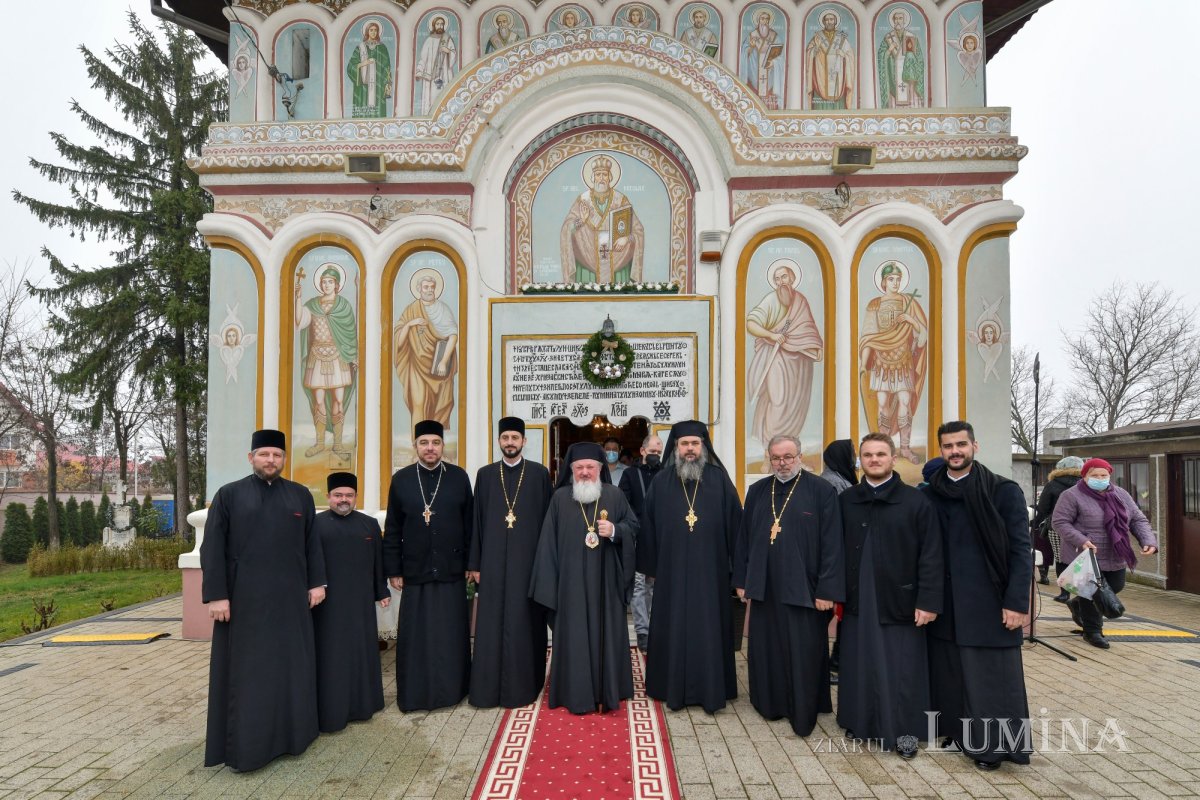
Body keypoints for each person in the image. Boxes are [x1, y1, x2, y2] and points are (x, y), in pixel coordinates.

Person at [201, 429, 326, 771]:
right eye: (264, 454)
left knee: (290, 668)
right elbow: (212, 548)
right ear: (251, 457)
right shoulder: (229, 495)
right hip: (244, 603)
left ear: (284, 459)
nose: (271, 460)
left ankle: (292, 737)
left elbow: (312, 544)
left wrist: (317, 584)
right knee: (249, 673)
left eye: (277, 455)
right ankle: (248, 746)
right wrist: (217, 596)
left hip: (290, 601)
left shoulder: (300, 496)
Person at [924, 421, 1032, 770]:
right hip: (946, 604)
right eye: (948, 446)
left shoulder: (1003, 491)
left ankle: (994, 748)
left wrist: (1016, 602)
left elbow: (1021, 550)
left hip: (990, 602)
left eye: (961, 444)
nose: (955, 451)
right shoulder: (930, 494)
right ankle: (957, 734)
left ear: (974, 446)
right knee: (951, 674)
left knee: (992, 679)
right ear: (941, 451)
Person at [837, 433, 942, 759]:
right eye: (868, 455)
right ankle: (860, 722)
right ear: (860, 461)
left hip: (902, 601)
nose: (874, 460)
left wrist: (928, 601)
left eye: (881, 454)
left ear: (893, 458)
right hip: (858, 599)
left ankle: (906, 731)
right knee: (858, 662)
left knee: (903, 669)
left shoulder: (916, 502)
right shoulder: (846, 500)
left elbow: (931, 555)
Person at [733, 434, 844, 736]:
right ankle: (769, 704)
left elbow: (833, 545)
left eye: (788, 457)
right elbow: (744, 539)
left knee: (803, 650)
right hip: (765, 587)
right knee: (766, 648)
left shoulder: (821, 490)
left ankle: (803, 708)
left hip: (805, 588)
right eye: (776, 458)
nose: (782, 463)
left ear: (800, 457)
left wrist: (827, 590)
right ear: (769, 459)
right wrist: (742, 581)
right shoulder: (758, 491)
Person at [640, 421, 743, 713]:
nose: (689, 449)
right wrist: (651, 567)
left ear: (703, 447)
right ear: (675, 447)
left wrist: (738, 573)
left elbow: (737, 528)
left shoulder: (720, 480)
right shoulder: (661, 482)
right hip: (670, 574)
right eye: (684, 444)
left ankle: (711, 689)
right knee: (672, 626)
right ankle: (669, 686)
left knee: (709, 629)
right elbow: (648, 527)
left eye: (695, 444)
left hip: (711, 575)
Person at [529, 442, 638, 713]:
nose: (585, 472)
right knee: (573, 635)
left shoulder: (614, 495)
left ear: (600, 469)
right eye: (579, 468)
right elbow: (547, 545)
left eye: (590, 467)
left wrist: (615, 530)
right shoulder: (560, 499)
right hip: (570, 586)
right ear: (571, 470)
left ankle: (609, 689)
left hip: (606, 583)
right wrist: (550, 586)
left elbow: (634, 527)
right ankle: (573, 692)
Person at [383, 419, 473, 711]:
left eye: (435, 442)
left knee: (451, 633)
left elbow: (470, 526)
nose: (430, 448)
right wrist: (393, 569)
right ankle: (416, 693)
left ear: (443, 446)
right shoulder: (402, 479)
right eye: (424, 443)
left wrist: (471, 564)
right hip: (415, 569)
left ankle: (453, 691)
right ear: (415, 446)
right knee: (416, 636)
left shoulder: (458, 477)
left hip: (451, 568)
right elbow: (393, 528)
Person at [468, 417, 553, 708]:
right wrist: (475, 564)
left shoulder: (539, 474)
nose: (510, 442)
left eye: (515, 438)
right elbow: (476, 522)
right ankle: (488, 687)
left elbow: (548, 524)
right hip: (492, 562)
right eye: (505, 438)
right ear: (499, 441)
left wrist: (546, 565)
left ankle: (525, 685)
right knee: (491, 624)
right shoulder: (486, 475)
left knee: (524, 622)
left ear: (524, 441)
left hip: (529, 564)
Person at [1053, 457, 1158, 649]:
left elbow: (1137, 519)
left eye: (1104, 475)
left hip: (1115, 551)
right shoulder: (1071, 495)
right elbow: (1060, 522)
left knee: (1115, 585)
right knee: (1094, 591)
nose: (1100, 479)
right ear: (1084, 476)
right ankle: (1093, 631)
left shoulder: (1121, 494)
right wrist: (1081, 540)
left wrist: (1148, 540)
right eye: (1095, 475)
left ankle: (1077, 604)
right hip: (1086, 553)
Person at [312, 471, 389, 733]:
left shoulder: (369, 524)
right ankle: (332, 707)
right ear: (328, 496)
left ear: (356, 497)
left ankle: (364, 704)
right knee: (332, 654)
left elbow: (378, 561)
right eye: (338, 495)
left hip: (361, 602)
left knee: (361, 651)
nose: (343, 499)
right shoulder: (315, 524)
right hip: (327, 605)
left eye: (349, 495)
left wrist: (381, 591)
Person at [746, 260, 823, 458]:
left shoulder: (800, 301)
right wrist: (771, 335)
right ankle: (769, 455)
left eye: (784, 277)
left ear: (793, 278)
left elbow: (807, 328)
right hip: (777, 358)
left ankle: (791, 455)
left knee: (796, 406)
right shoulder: (771, 300)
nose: (781, 282)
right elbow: (751, 323)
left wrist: (812, 346)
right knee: (778, 402)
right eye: (777, 279)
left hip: (800, 362)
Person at [859, 261, 928, 464]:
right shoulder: (875, 304)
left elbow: (923, 334)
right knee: (882, 404)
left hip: (903, 360)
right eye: (891, 279)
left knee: (905, 401)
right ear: (883, 282)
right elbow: (868, 337)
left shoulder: (909, 303)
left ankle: (905, 448)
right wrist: (863, 364)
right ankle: (884, 448)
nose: (895, 283)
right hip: (881, 361)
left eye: (898, 279)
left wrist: (910, 319)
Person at [296, 263, 357, 460]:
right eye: (324, 282)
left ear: (337, 284)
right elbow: (300, 321)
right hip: (317, 356)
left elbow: (350, 332)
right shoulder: (313, 305)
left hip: (338, 357)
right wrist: (298, 298)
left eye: (330, 282)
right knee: (319, 401)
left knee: (338, 400)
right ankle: (320, 443)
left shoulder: (343, 305)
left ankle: (338, 445)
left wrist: (353, 354)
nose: (326, 285)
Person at [559, 155, 645, 283]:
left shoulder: (621, 200)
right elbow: (566, 228)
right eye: (598, 174)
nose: (601, 178)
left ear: (610, 177)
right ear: (593, 177)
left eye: (604, 174)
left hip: (618, 260)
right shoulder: (583, 200)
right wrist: (581, 220)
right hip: (587, 259)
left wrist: (626, 238)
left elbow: (638, 230)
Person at [394, 270, 459, 430]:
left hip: (438, 367)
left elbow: (453, 336)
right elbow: (399, 342)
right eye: (426, 287)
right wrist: (410, 324)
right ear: (419, 289)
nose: (429, 290)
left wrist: (443, 361)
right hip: (416, 366)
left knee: (440, 405)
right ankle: (418, 441)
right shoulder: (411, 310)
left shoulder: (443, 309)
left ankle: (436, 442)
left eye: (432, 287)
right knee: (418, 402)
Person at [619, 433, 663, 653]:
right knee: (639, 585)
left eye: (659, 452)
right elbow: (623, 503)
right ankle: (642, 631)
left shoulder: (666, 474)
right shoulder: (629, 474)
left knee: (656, 584)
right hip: (637, 536)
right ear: (643, 451)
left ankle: (657, 626)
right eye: (652, 451)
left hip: (660, 537)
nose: (655, 455)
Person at [817, 438, 856, 682]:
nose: (855, 460)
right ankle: (828, 666)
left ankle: (835, 663)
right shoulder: (832, 482)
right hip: (837, 558)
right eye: (852, 455)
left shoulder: (838, 478)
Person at [1033, 456, 1083, 602]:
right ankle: (1081, 592)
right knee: (1081, 558)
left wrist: (1035, 523)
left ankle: (1064, 593)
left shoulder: (1053, 484)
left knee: (1061, 558)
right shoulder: (1085, 484)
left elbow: (1043, 508)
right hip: (1082, 528)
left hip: (1057, 527)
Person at [806, 10, 855, 109]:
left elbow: (850, 55)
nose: (829, 22)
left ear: (835, 21)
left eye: (831, 19)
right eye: (827, 20)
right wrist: (814, 51)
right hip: (820, 77)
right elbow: (809, 52)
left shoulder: (841, 38)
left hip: (838, 79)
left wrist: (843, 55)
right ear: (823, 22)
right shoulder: (817, 37)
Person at [877, 8, 925, 108]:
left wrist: (911, 59)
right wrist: (889, 50)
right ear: (893, 21)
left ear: (904, 21)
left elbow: (919, 58)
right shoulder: (888, 38)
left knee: (911, 101)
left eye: (900, 18)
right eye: (896, 19)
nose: (898, 21)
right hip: (893, 76)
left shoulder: (911, 37)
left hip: (909, 81)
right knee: (894, 103)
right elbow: (881, 56)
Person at [346, 19, 392, 117]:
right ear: (367, 31)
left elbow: (387, 67)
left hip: (378, 85)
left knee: (378, 109)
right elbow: (350, 67)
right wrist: (363, 63)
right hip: (362, 87)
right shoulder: (360, 48)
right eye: (371, 30)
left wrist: (387, 83)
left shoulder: (382, 48)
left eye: (375, 30)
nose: (373, 32)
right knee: (362, 105)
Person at [415, 16, 456, 115]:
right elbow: (423, 58)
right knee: (431, 97)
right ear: (434, 25)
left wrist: (448, 51)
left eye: (442, 24)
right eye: (438, 24)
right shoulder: (429, 40)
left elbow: (453, 53)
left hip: (445, 74)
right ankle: (430, 114)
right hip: (431, 75)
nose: (440, 26)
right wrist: (419, 70)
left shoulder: (447, 39)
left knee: (445, 95)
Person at [742, 10, 781, 108]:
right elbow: (743, 53)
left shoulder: (775, 36)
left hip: (770, 75)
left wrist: (774, 63)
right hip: (753, 73)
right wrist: (751, 47)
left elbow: (781, 56)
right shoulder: (752, 35)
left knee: (769, 102)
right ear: (758, 20)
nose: (765, 21)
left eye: (767, 19)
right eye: (762, 19)